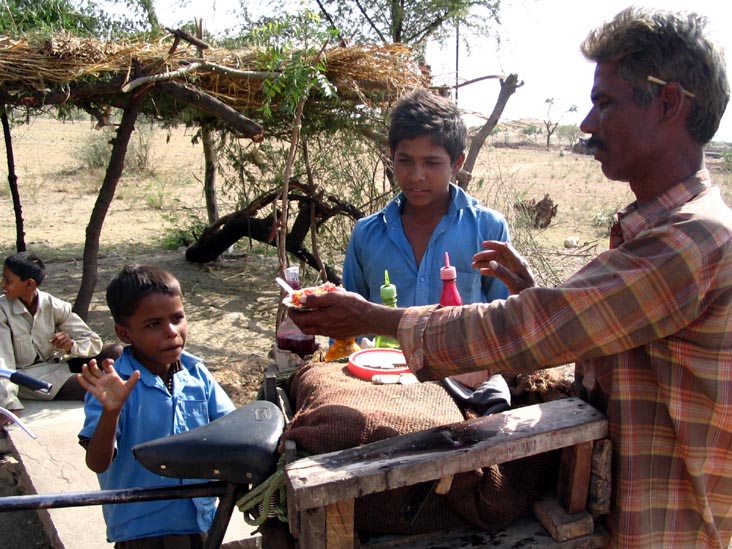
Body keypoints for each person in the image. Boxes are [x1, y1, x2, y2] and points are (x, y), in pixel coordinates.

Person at [290, 7, 732, 548]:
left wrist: (376, 315)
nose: (588, 125)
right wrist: (531, 295)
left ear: (667, 104)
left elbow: (530, 330)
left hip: (667, 524)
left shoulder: (693, 240)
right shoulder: (657, 230)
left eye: (604, 102)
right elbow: (594, 333)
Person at [343, 88, 510, 394]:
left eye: (432, 163)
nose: (417, 175)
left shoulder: (488, 229)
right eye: (405, 161)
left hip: (466, 386)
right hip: (380, 386)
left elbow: (506, 322)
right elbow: (347, 330)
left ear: (457, 164)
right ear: (392, 158)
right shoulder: (367, 235)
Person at [77, 264, 235, 547]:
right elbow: (97, 462)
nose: (171, 332)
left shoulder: (196, 372)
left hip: (201, 518)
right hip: (143, 529)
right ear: (124, 333)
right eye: (153, 325)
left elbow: (231, 429)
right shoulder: (113, 385)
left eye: (177, 318)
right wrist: (111, 412)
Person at [0, 251, 121, 413]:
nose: (3, 285)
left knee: (115, 351)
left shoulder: (53, 305)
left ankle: (123, 385)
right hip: (26, 378)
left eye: (8, 280)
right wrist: (9, 403)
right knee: (93, 385)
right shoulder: (2, 310)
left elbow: (91, 340)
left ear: (29, 284)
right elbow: (3, 363)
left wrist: (71, 345)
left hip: (56, 365)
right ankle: (119, 390)